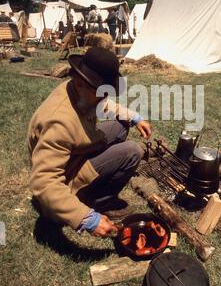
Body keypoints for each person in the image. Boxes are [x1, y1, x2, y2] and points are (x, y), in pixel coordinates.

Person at [28, 47, 151, 238]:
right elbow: (44, 183)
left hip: (75, 151)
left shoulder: (78, 89)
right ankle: (97, 202)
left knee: (121, 125)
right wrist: (86, 218)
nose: (105, 98)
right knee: (132, 151)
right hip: (64, 178)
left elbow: (104, 104)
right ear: (80, 83)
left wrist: (135, 117)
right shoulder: (59, 122)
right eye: (102, 93)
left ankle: (95, 190)